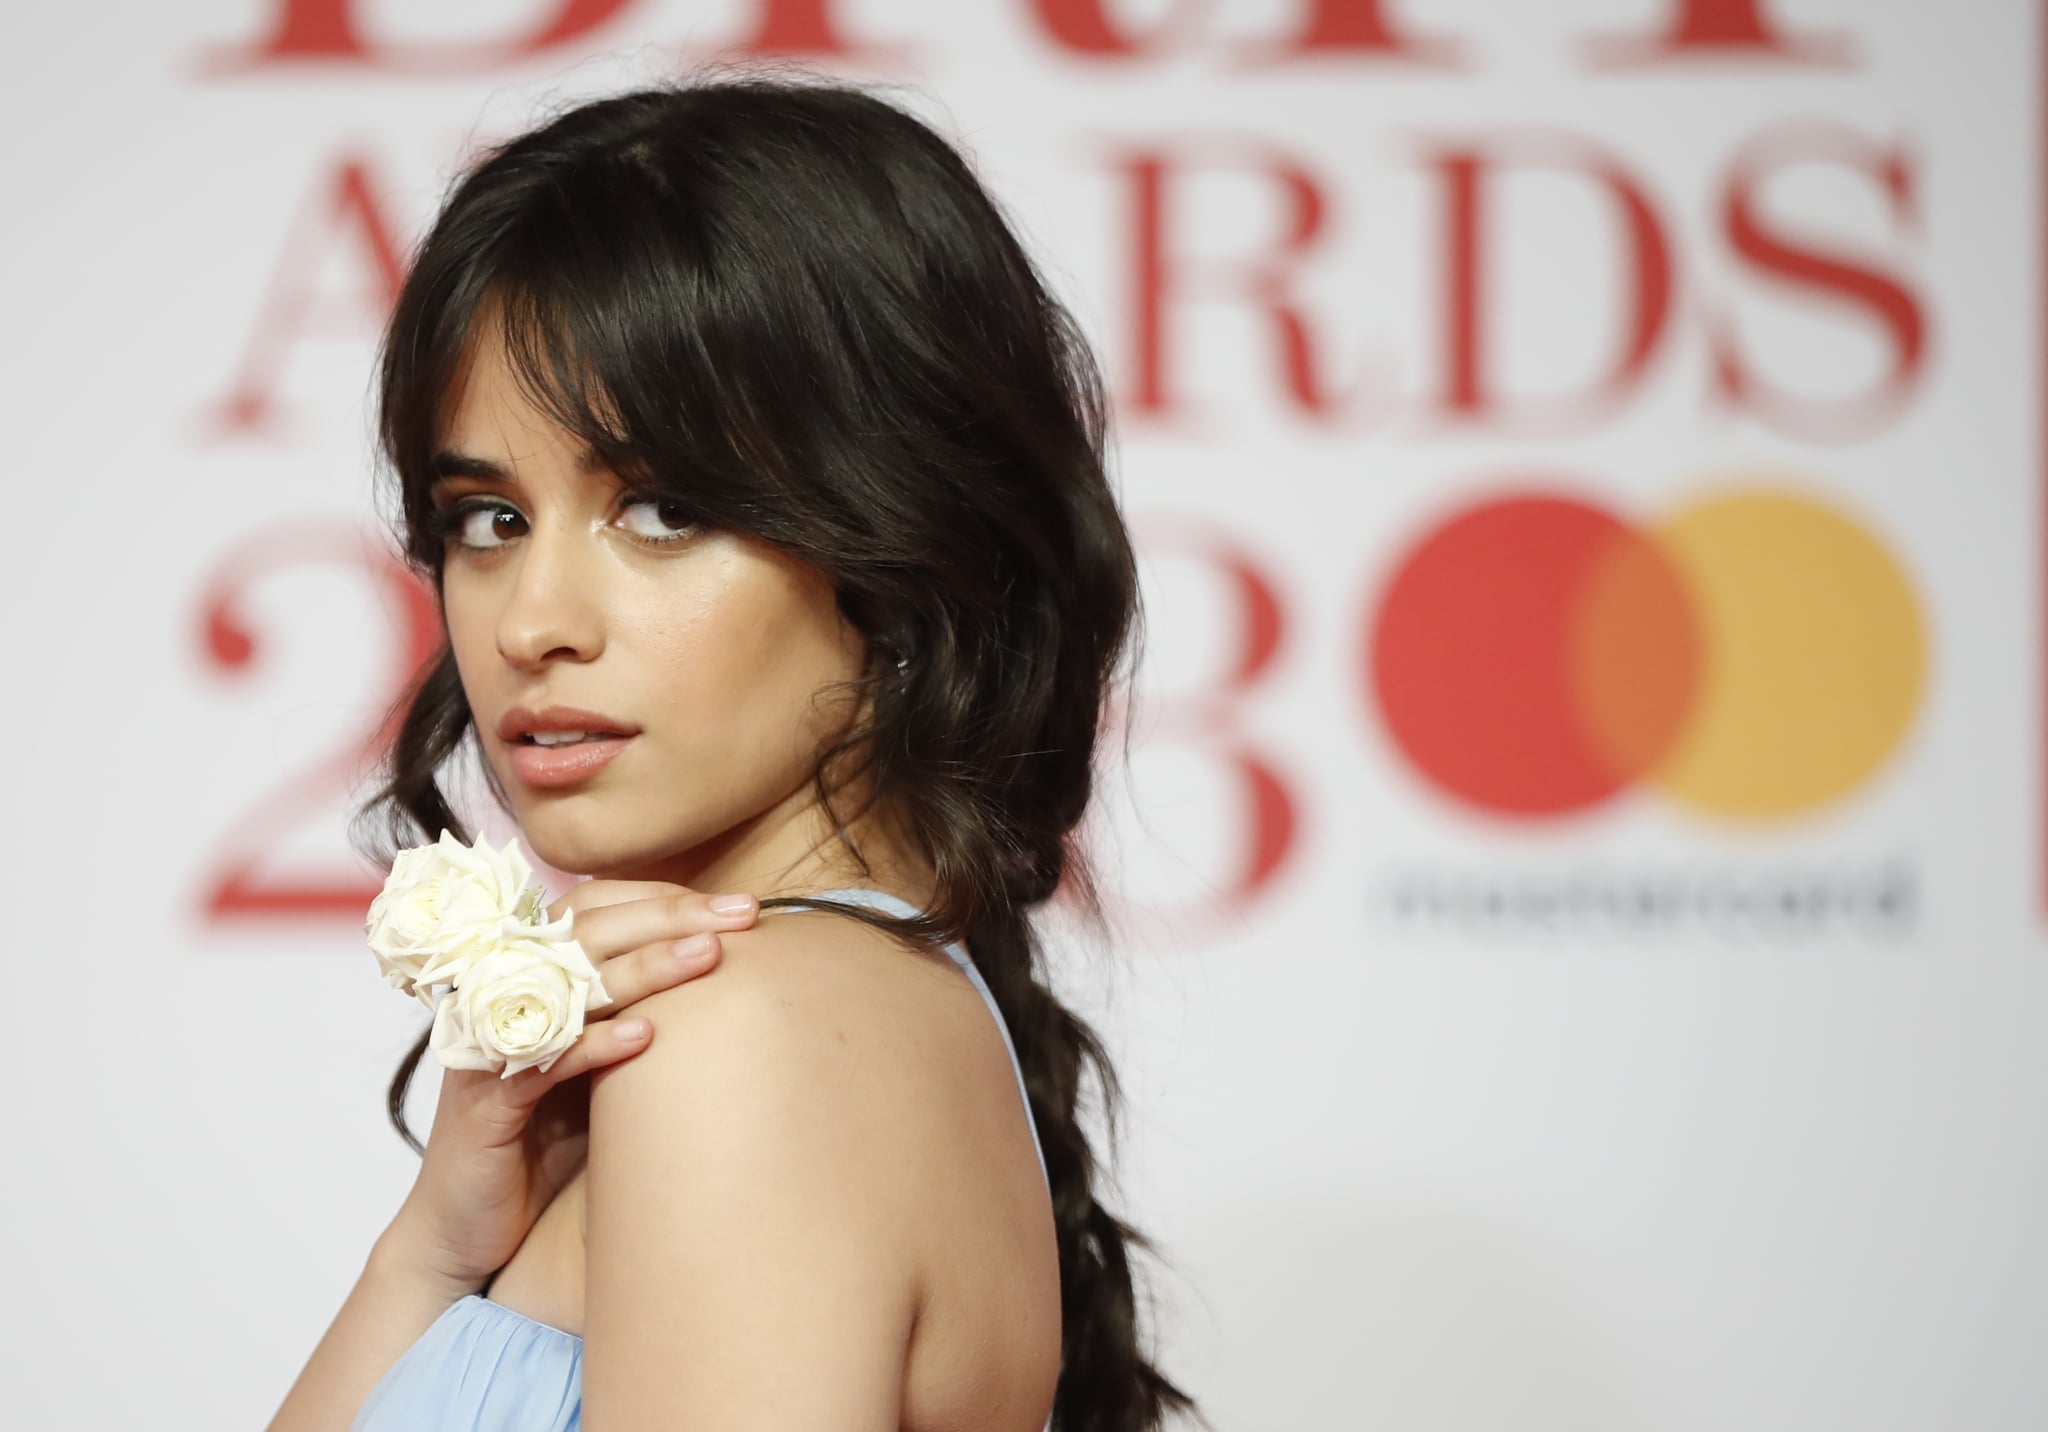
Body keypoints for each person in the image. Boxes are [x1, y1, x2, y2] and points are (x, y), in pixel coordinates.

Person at [261, 67, 1198, 1432]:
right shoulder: (843, 1008)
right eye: (487, 518)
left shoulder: (743, 1028)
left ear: (898, 546)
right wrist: (433, 1252)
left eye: (663, 508)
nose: (534, 623)